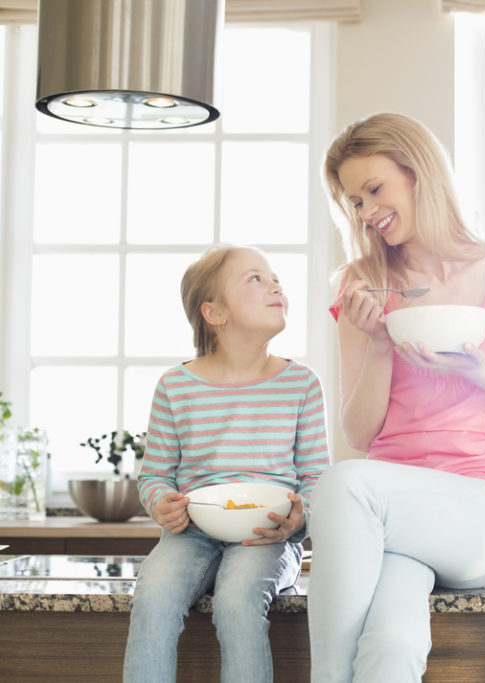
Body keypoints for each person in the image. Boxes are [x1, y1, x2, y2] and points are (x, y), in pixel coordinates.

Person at [308, 112, 485, 682]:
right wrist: (379, 346)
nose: (366, 211)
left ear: (418, 172)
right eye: (354, 201)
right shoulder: (362, 285)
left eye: (374, 189)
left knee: (344, 483)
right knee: (393, 644)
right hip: (395, 516)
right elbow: (359, 434)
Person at [123, 244, 330, 683]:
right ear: (214, 313)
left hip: (266, 534)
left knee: (238, 601)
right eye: (255, 278)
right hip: (191, 534)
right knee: (153, 596)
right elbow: (156, 475)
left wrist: (300, 518)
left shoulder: (302, 384)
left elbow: (315, 476)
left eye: (274, 277)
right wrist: (162, 503)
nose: (276, 284)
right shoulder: (175, 386)